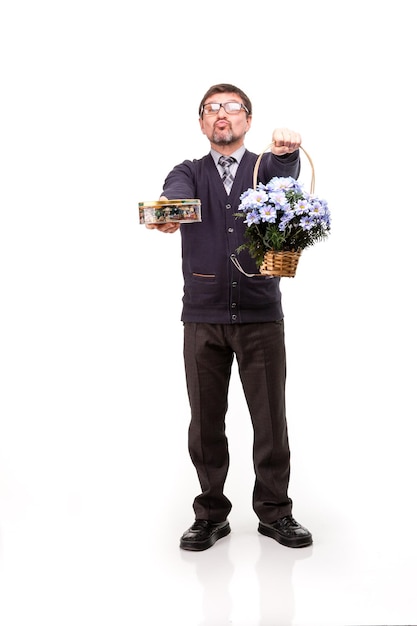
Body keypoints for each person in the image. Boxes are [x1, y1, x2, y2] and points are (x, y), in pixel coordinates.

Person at [146, 83, 313, 551]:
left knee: (270, 421)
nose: (222, 114)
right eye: (212, 108)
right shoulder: (188, 172)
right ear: (201, 122)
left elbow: (287, 175)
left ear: (248, 119)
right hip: (202, 317)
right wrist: (168, 212)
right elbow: (173, 195)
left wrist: (286, 151)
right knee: (204, 423)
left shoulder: (265, 167)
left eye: (232, 107)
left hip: (261, 316)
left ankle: (275, 513)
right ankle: (211, 514)